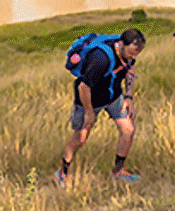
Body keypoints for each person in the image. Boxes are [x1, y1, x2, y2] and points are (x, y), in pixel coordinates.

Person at [57, 28, 145, 185]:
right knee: (80, 138)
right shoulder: (101, 59)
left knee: (128, 130)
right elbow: (83, 88)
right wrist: (89, 113)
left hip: (113, 96)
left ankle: (118, 172)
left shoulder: (128, 52)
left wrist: (129, 96)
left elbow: (130, 68)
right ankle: (62, 173)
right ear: (122, 45)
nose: (134, 57)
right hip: (89, 100)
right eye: (132, 53)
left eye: (136, 54)